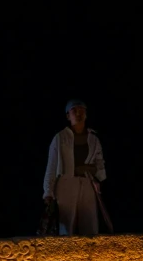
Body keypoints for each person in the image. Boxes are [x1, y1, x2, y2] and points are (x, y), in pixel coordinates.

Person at [42, 100, 108, 236]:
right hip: (66, 184)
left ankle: (90, 256)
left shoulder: (93, 139)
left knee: (90, 225)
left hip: (87, 184)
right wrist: (48, 192)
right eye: (74, 110)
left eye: (81, 110)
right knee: (66, 226)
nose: (78, 113)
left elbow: (100, 164)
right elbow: (52, 166)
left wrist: (94, 172)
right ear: (68, 116)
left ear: (86, 114)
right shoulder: (60, 137)